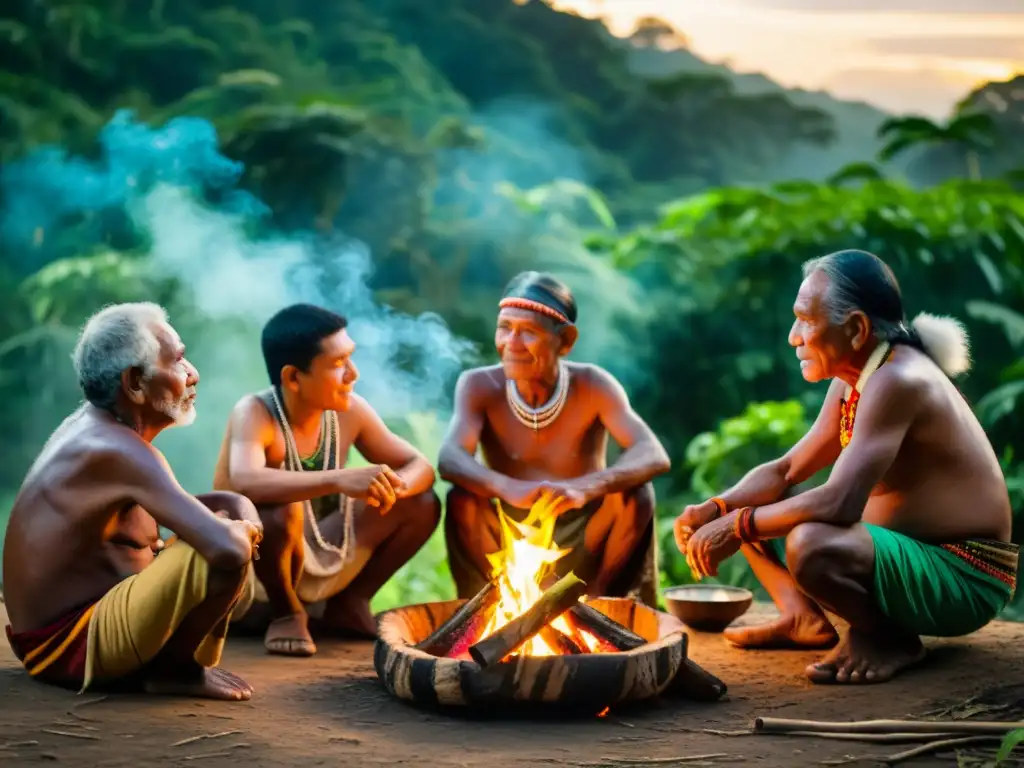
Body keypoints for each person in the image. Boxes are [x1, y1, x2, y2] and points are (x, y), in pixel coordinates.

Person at [675, 249, 1017, 685]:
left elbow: (840, 502)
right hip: (906, 558)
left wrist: (738, 525)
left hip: (965, 574)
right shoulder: (854, 379)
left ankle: (890, 639)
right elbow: (785, 470)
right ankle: (801, 618)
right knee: (748, 506)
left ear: (856, 329)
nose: (793, 337)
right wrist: (715, 508)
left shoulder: (899, 380)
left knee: (809, 542)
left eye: (805, 320)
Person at [3, 302, 262, 701]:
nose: (193, 374)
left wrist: (235, 511)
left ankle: (168, 661)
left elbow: (166, 512)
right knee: (219, 549)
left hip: (81, 627)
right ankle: (177, 671)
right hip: (68, 645)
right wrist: (239, 530)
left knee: (230, 514)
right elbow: (226, 549)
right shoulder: (115, 449)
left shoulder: (101, 431)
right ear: (135, 383)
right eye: (177, 361)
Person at [213, 303, 439, 657]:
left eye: (350, 359)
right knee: (280, 510)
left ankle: (350, 603)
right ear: (292, 378)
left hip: (321, 543)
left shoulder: (350, 410)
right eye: (338, 364)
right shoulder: (255, 412)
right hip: (257, 570)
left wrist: (394, 488)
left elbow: (419, 465)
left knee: (421, 504)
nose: (353, 374)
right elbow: (245, 480)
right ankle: (286, 612)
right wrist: (340, 479)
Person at [438, 271, 671, 606]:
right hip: (509, 530)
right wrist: (507, 487)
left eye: (528, 332)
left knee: (635, 494)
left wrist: (587, 487)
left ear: (566, 340)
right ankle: (488, 608)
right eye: (505, 328)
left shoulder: (593, 384)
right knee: (462, 498)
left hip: (586, 536)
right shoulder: (478, 386)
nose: (511, 343)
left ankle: (601, 608)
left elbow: (652, 453)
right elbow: (450, 459)